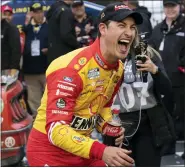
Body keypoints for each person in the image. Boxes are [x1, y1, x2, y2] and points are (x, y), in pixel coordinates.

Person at [26, 2, 143, 166]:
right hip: (49, 151)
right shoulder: (71, 68)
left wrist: (108, 126)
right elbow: (56, 130)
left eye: (132, 27)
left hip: (82, 147)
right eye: (122, 25)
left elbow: (102, 107)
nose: (129, 33)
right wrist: (102, 151)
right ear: (103, 29)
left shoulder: (118, 69)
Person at [113, 41, 176, 166]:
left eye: (131, 27)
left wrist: (155, 71)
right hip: (118, 122)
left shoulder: (149, 53)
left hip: (148, 122)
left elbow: (167, 90)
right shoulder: (108, 53)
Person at [149, 0, 185, 141]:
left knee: (182, 112)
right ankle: (169, 144)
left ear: (179, 7)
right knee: (166, 111)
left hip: (181, 79)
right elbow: (151, 49)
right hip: (162, 79)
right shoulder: (158, 28)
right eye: (167, 6)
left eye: (173, 6)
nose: (170, 9)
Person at [22, 3, 48, 119]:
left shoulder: (50, 26)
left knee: (50, 96)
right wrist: (26, 24)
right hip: (30, 70)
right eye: (36, 12)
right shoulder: (26, 28)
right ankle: (38, 122)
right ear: (31, 14)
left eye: (40, 11)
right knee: (33, 99)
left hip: (46, 68)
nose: (39, 14)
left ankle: (51, 120)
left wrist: (49, 50)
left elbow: (56, 45)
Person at [46, 0, 80, 65]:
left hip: (53, 56)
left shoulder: (53, 8)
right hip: (64, 57)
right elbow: (66, 35)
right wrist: (78, 45)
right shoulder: (66, 11)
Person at [1, 8, 21, 75]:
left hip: (7, 70)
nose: (7, 17)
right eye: (4, 14)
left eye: (9, 15)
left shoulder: (13, 29)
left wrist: (14, 69)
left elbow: (16, 50)